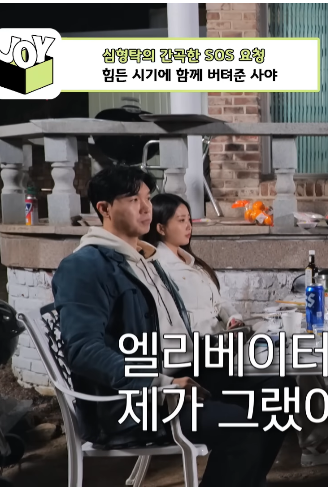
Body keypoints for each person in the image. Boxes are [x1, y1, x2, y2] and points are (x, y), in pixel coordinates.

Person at [52, 166, 290, 486]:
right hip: (133, 404)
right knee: (241, 424)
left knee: (279, 390)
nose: (145, 208)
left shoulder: (144, 259)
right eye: (133, 200)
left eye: (146, 198)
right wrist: (159, 382)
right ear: (104, 209)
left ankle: (245, 481)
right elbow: (83, 351)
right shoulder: (85, 266)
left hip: (177, 373)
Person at [144, 193, 328, 467]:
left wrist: (233, 319)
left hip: (226, 342)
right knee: (287, 364)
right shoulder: (158, 270)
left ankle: (301, 444)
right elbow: (183, 324)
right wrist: (221, 338)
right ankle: (311, 444)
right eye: (181, 221)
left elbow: (220, 302)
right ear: (160, 227)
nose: (188, 226)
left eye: (189, 219)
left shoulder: (192, 263)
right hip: (206, 357)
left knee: (291, 353)